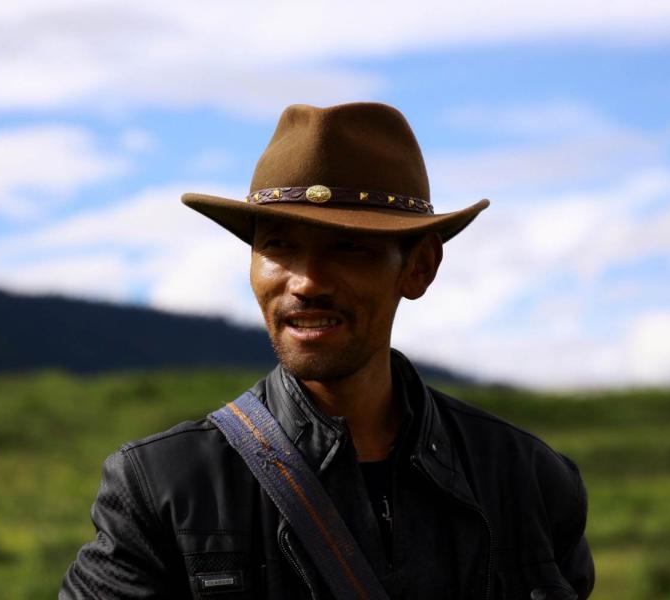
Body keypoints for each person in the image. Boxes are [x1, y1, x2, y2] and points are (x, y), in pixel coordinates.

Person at [60, 102, 594, 599]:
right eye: (278, 245)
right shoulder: (165, 487)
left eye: (349, 247)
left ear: (420, 267)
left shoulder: (529, 481)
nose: (307, 281)